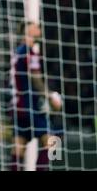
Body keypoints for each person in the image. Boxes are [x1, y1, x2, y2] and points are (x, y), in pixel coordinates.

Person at [9, 21, 62, 171]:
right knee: (52, 140)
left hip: (16, 106)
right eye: (36, 26)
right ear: (29, 30)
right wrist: (50, 96)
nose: (39, 28)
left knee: (18, 147)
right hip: (28, 105)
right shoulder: (29, 52)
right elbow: (36, 79)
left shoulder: (18, 51)